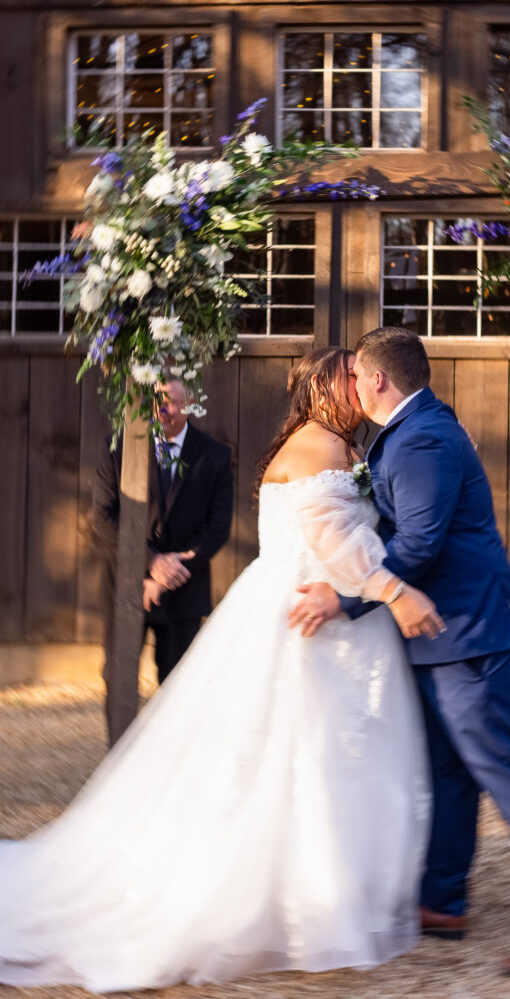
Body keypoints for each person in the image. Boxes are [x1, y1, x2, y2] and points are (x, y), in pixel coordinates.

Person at [0, 347, 437, 992]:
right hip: (306, 620)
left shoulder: (327, 443)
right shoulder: (319, 447)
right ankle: (298, 899)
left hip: (314, 613)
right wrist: (392, 588)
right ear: (324, 388)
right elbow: (336, 546)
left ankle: (315, 887)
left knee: (310, 757)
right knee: (302, 753)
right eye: (347, 378)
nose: (357, 388)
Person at [290, 327, 510, 977]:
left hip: (468, 630)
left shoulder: (423, 435)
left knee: (500, 767)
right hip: (440, 635)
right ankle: (443, 898)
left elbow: (421, 543)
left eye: (354, 376)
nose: (348, 386)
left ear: (375, 380)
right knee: (449, 770)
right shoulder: (414, 428)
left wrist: (345, 600)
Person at [94, 378, 234, 742]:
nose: (163, 411)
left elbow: (217, 528)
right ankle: (118, 761)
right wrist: (148, 564)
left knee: (178, 684)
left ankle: (170, 767)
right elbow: (103, 517)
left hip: (183, 590)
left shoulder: (214, 455)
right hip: (126, 586)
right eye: (157, 402)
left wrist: (167, 573)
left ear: (190, 404)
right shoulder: (120, 446)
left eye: (171, 403)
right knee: (118, 677)